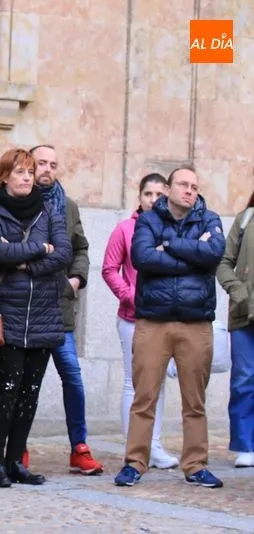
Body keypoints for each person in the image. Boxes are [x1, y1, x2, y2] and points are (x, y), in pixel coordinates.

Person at [114, 166, 226, 489]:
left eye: (194, 185)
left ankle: (195, 464)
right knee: (144, 396)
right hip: (153, 321)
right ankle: (135, 462)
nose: (189, 190)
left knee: (195, 400)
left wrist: (170, 244)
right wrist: (192, 252)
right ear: (169, 189)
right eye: (183, 184)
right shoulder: (149, 220)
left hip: (195, 323)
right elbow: (143, 258)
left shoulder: (210, 219)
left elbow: (213, 253)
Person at [0, 148, 71, 489]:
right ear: (5, 176)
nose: (28, 177)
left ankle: (16, 461)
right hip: (9, 311)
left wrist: (26, 262)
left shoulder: (49, 210)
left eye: (30, 172)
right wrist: (37, 249)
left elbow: (63, 254)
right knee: (8, 388)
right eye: (20, 172)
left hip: (44, 312)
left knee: (31, 390)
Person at [28, 145, 103, 475]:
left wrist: (76, 278)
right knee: (25, 381)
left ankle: (79, 447)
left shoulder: (68, 206)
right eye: (41, 162)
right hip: (27, 307)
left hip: (60, 310)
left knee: (72, 376)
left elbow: (81, 247)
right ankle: (17, 448)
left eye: (53, 164)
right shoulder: (16, 201)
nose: (47, 169)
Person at [102, 173, 179, 469]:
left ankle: (154, 444)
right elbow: (109, 269)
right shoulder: (125, 229)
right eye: (149, 193)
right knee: (133, 384)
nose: (154, 199)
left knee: (157, 385)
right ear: (140, 196)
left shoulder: (174, 230)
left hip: (166, 318)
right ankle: (133, 445)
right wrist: (131, 296)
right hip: (133, 318)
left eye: (160, 194)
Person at [217, 184, 254, 468]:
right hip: (244, 315)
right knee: (244, 379)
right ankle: (244, 445)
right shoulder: (245, 219)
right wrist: (238, 291)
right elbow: (224, 263)